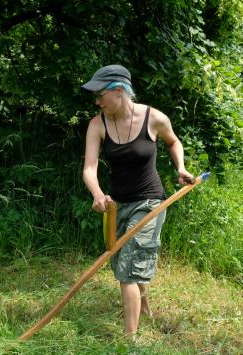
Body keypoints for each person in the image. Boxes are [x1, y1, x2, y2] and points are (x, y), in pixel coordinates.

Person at [81, 64, 194, 340]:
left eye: (100, 95)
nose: (97, 102)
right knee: (124, 258)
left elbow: (173, 141)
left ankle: (128, 341)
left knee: (127, 270)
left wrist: (180, 167)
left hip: (150, 203)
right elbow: (89, 168)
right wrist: (97, 194)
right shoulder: (98, 124)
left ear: (118, 91)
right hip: (117, 204)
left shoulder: (154, 118)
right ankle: (142, 302)